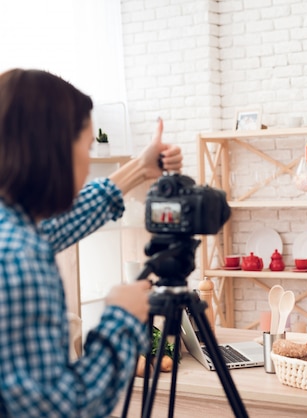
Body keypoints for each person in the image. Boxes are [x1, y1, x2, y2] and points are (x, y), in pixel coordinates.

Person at [0, 68, 182, 417]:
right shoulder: (20, 258)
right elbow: (63, 410)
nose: (88, 162)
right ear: (53, 152)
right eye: (86, 146)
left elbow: (60, 223)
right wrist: (122, 319)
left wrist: (141, 169)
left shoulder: (14, 230)